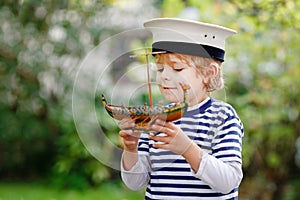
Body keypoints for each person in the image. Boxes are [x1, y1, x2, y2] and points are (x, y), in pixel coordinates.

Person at [119, 18, 244, 200]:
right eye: (160, 69)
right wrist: (130, 150)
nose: (165, 77)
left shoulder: (223, 117)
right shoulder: (153, 118)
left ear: (208, 73)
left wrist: (187, 148)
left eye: (177, 69)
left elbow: (228, 182)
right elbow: (135, 183)